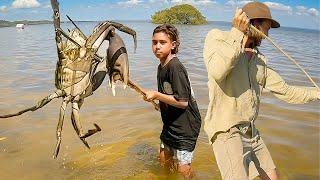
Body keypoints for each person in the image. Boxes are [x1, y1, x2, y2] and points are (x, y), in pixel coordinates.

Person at [203, 2, 319, 180]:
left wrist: (317, 93)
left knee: (273, 178)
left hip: (251, 132)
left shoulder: (259, 60)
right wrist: (237, 32)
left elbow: (286, 91)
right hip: (226, 131)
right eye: (266, 28)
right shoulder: (217, 37)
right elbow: (217, 72)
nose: (266, 35)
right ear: (254, 24)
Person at [144, 24, 201, 179]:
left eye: (162, 42)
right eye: (154, 42)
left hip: (186, 127)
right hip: (170, 124)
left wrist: (156, 95)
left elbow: (183, 102)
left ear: (173, 45)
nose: (157, 46)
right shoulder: (161, 66)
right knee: (164, 160)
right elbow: (168, 95)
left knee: (183, 170)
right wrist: (158, 102)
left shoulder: (175, 67)